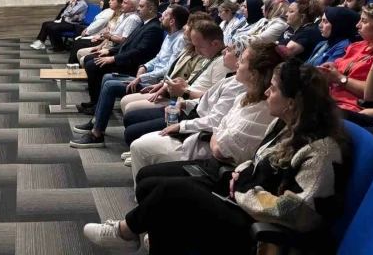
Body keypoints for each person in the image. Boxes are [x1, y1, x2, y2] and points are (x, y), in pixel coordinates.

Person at [83, 61, 348, 254]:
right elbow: (257, 159)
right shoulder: (284, 124)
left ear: (293, 101)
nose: (267, 92)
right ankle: (141, 237)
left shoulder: (320, 150)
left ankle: (125, 231)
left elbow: (298, 212)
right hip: (246, 201)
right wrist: (241, 173)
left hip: (261, 228)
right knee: (151, 185)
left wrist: (243, 189)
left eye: (274, 89)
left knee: (172, 191)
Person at [132, 40, 285, 185]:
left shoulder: (255, 103)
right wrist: (185, 103)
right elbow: (215, 114)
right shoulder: (244, 93)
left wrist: (185, 122)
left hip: (212, 155)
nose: (237, 61)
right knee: (140, 144)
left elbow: (219, 145)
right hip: (200, 128)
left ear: (254, 74)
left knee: (139, 148)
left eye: (241, 59)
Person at [127, 38, 248, 179]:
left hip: (202, 135)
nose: (223, 52)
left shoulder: (237, 84)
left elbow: (215, 120)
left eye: (229, 50)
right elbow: (208, 99)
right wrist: (185, 103)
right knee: (137, 138)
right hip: (192, 115)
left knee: (138, 145)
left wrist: (182, 124)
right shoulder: (231, 78)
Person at [69, 6, 190, 148]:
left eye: (165, 15)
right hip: (149, 76)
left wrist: (143, 77)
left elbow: (169, 69)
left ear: (172, 21)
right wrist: (144, 67)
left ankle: (97, 133)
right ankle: (96, 121)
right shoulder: (170, 36)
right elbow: (158, 58)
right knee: (107, 77)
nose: (161, 17)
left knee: (110, 85)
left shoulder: (179, 40)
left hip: (155, 83)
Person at [78, 0, 163, 110]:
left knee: (93, 65)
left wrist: (113, 58)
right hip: (125, 57)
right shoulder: (145, 23)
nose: (138, 9)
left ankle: (96, 105)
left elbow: (139, 51)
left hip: (133, 64)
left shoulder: (154, 28)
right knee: (90, 58)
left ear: (151, 9)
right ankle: (94, 101)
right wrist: (109, 51)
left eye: (141, 6)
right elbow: (127, 43)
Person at [319, 3, 373, 113]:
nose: (357, 25)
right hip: (328, 99)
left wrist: (340, 78)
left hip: (350, 108)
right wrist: (329, 70)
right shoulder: (357, 46)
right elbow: (338, 70)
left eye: (364, 21)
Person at [120, 12, 211, 115]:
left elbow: (187, 83)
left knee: (130, 107)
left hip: (177, 98)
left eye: (188, 24)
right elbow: (170, 68)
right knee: (125, 101)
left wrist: (163, 86)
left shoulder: (201, 55)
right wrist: (159, 82)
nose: (184, 27)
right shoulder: (187, 47)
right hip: (165, 86)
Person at [75, 0, 141, 64]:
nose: (122, 4)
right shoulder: (123, 15)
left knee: (84, 58)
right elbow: (111, 34)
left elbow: (125, 40)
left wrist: (108, 38)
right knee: (80, 52)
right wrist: (100, 46)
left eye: (125, 3)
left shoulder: (132, 19)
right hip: (107, 44)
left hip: (115, 48)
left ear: (132, 7)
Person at [67, 0, 119, 64]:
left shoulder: (109, 13)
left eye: (103, 1)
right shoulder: (108, 12)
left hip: (102, 39)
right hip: (101, 37)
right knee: (78, 41)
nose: (100, 2)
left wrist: (89, 32)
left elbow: (99, 25)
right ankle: (72, 64)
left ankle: (72, 64)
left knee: (78, 43)